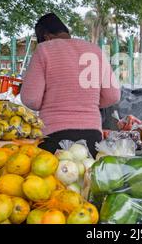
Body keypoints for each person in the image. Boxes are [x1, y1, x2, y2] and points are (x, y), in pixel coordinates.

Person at [21, 13, 121, 156]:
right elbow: (113, 96)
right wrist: (85, 103)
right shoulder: (94, 50)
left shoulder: (44, 50)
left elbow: (31, 99)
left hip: (54, 136)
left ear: (46, 37)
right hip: (92, 136)